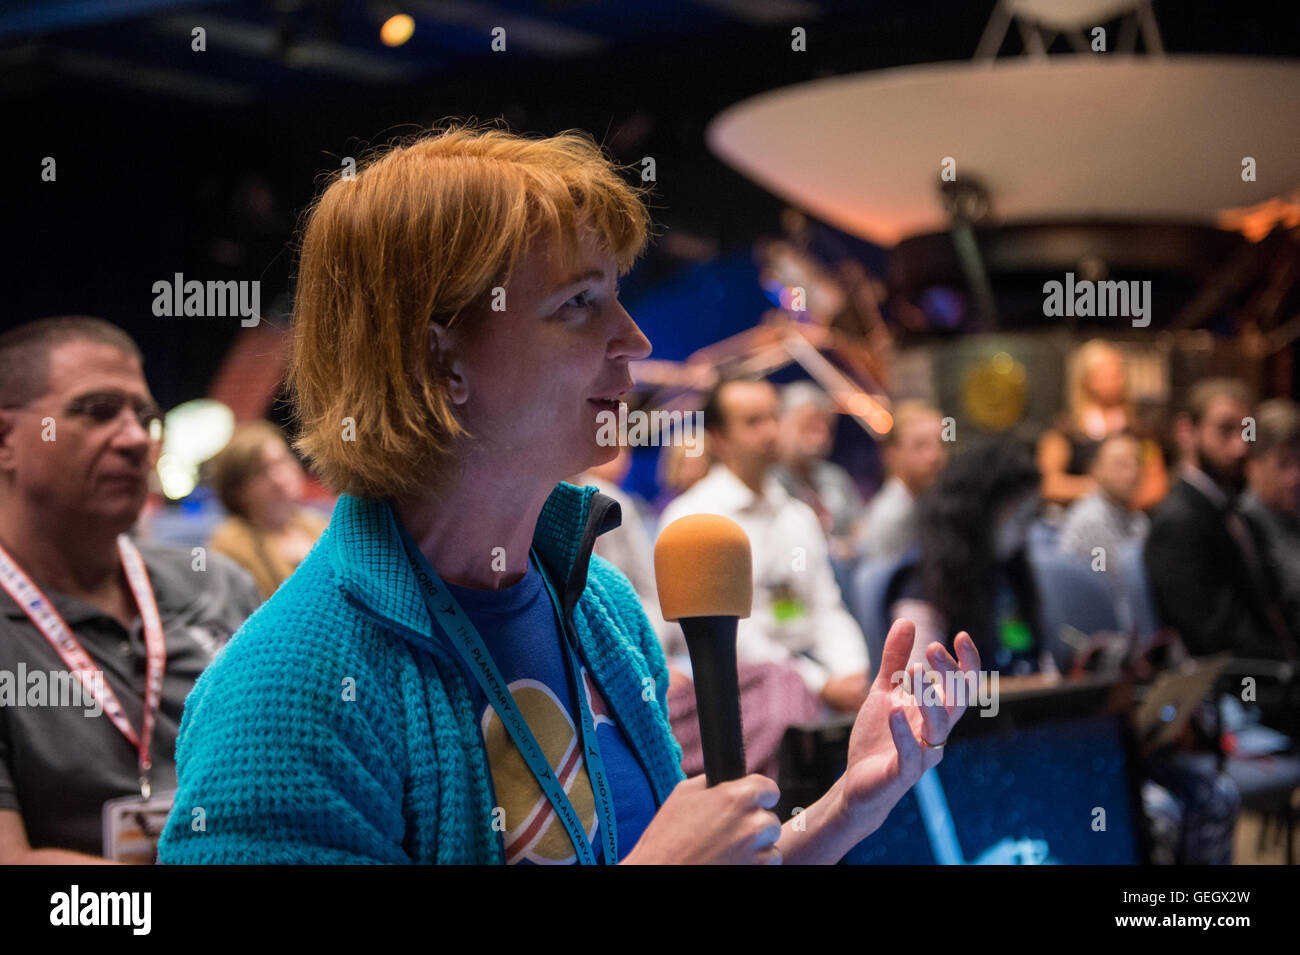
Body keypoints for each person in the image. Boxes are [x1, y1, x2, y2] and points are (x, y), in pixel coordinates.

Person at [157, 122, 980, 865]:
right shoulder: (285, 692)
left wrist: (848, 804)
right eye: (580, 302)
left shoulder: (601, 608)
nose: (635, 338)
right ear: (438, 357)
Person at [0, 316, 261, 862]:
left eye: (146, 417)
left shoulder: (217, 584)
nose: (136, 438)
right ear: (6, 441)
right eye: (97, 411)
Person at [660, 377, 873, 714]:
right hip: (740, 690)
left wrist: (851, 671)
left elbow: (826, 608)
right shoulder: (694, 520)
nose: (771, 431)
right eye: (753, 422)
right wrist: (820, 683)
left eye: (774, 417)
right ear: (719, 438)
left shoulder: (797, 515)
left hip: (810, 673)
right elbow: (728, 637)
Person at [1144, 379, 1297, 660]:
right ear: (1187, 432)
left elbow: (1274, 605)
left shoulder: (1234, 511)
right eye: (1225, 430)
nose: (1240, 447)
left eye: (1246, 431)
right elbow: (1214, 635)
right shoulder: (1178, 521)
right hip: (1235, 681)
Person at [889, 439, 1046, 675]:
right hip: (963, 710)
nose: (1026, 532)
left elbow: (1037, 663)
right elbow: (916, 686)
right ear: (979, 514)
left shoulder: (1010, 569)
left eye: (1030, 517)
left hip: (1021, 706)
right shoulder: (921, 579)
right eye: (1018, 517)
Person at [1037, 339, 1167, 511]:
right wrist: (1104, 490)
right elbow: (1050, 485)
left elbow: (1156, 481)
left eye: (1117, 373)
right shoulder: (1067, 428)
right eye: (1104, 373)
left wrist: (1128, 502)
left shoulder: (1138, 429)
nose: (1114, 380)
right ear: (1086, 378)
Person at [206, 421, 329, 599]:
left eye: (282, 462)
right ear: (237, 491)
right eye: (260, 472)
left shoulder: (316, 523)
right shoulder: (228, 544)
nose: (278, 478)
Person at [1057, 431, 1150, 629]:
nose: (1132, 472)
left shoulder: (1138, 519)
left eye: (1137, 463)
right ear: (1096, 470)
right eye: (1121, 464)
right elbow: (1100, 586)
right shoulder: (1090, 521)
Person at [772, 381, 864, 563]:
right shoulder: (769, 480)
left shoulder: (834, 476)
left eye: (826, 428)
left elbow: (860, 528)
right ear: (783, 424)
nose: (821, 437)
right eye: (810, 427)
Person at [857, 400, 947, 563]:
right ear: (891, 455)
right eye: (920, 446)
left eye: (941, 444)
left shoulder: (928, 503)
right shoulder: (890, 518)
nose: (935, 456)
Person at [1239, 399, 1300, 635]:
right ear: (1254, 467)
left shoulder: (1291, 512)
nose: (1295, 476)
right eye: (1283, 464)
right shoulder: (1244, 526)